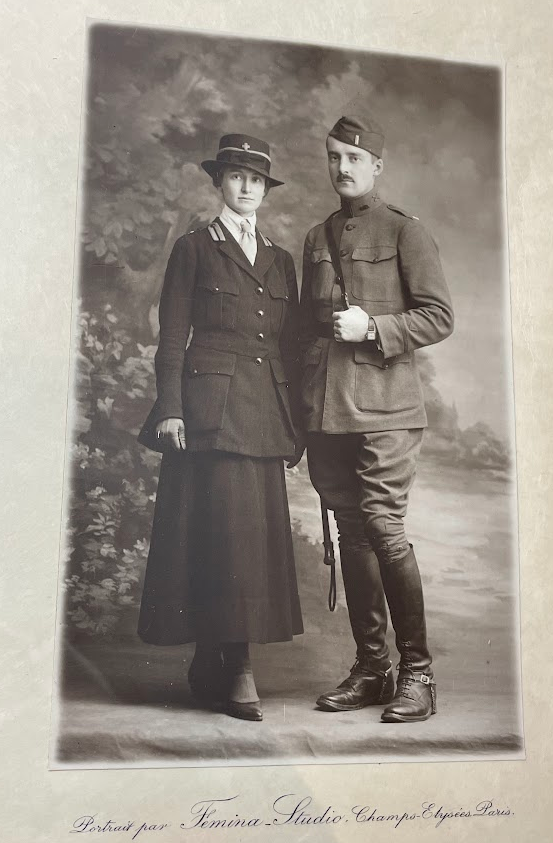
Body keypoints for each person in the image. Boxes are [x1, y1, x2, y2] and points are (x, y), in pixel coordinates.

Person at [137, 133, 304, 722]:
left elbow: (291, 344)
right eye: (236, 176)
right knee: (218, 535)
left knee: (248, 542)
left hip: (263, 412)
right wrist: (171, 408)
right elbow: (172, 336)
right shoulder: (194, 248)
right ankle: (237, 668)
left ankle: (217, 657)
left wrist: (298, 421)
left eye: (256, 179)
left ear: (265, 188)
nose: (247, 187)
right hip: (208, 414)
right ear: (219, 183)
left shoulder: (280, 259)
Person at [299, 114, 454, 723]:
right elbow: (305, 332)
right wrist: (298, 414)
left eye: (354, 159)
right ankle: (373, 669)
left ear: (377, 166)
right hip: (328, 411)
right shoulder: (318, 235)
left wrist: (376, 328)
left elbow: (438, 317)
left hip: (387, 410)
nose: (342, 168)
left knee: (384, 530)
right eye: (334, 156)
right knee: (352, 535)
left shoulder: (404, 231)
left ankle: (418, 671)